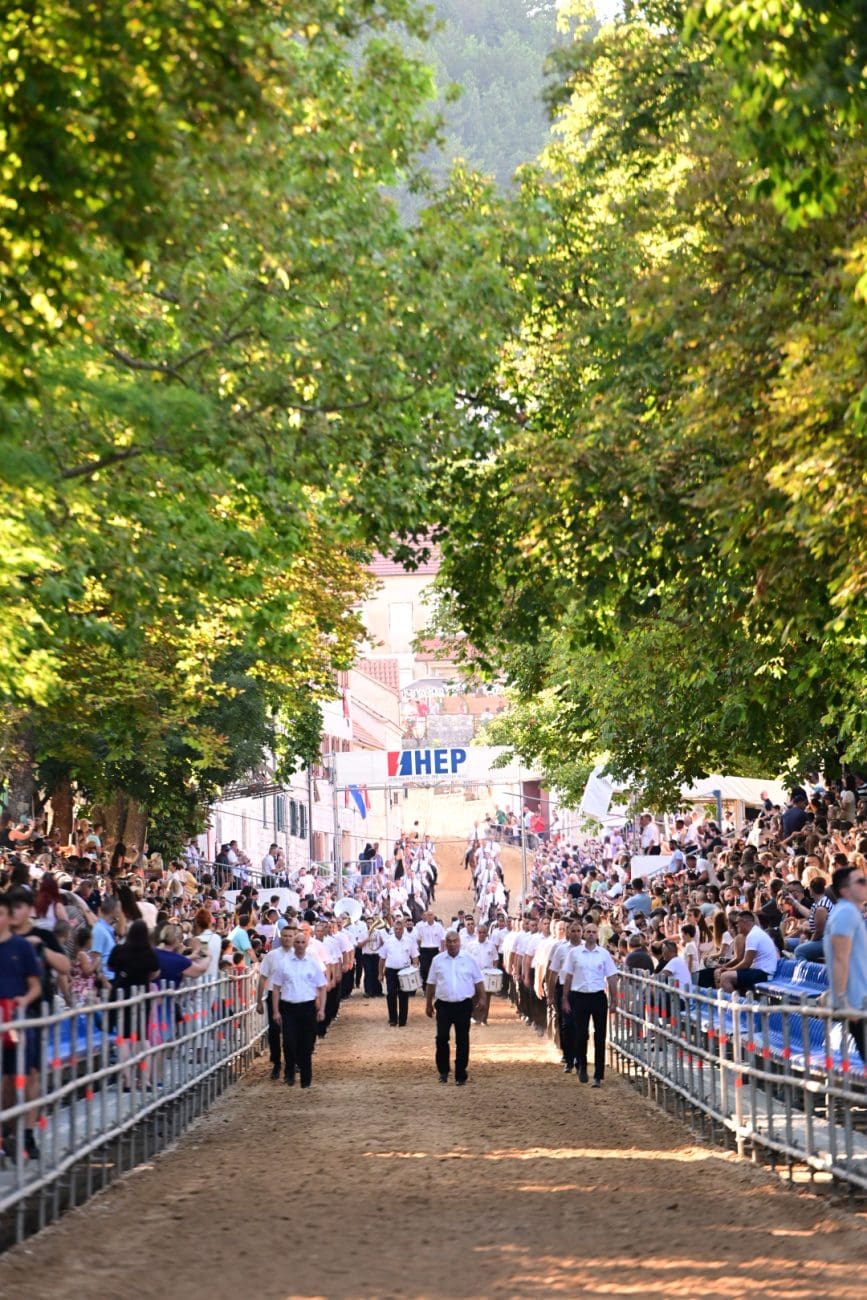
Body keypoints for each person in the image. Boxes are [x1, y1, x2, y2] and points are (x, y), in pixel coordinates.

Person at [561, 921, 618, 1087]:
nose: (591, 934)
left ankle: (598, 1075)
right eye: (588, 932)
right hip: (579, 997)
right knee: (581, 1034)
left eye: (594, 932)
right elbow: (568, 976)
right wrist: (565, 998)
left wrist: (614, 999)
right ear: (584, 934)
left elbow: (612, 976)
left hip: (598, 996)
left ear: (597, 934)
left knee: (600, 1036)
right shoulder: (574, 953)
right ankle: (582, 1066)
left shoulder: (604, 954)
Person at [425, 930, 484, 1085]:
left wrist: (483, 997)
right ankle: (443, 1071)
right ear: (445, 943)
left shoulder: (469, 959)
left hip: (463, 1005)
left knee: (462, 1039)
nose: (452, 944)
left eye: (455, 941)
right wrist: (428, 1003)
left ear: (459, 942)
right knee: (441, 1038)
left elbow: (478, 980)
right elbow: (431, 983)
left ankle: (460, 1074)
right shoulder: (437, 960)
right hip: (443, 1006)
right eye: (449, 941)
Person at [269, 929, 326, 1089]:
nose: (300, 945)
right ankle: (289, 1072)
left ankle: (306, 1079)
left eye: (303, 942)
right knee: (289, 1042)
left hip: (308, 1007)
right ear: (293, 944)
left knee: (307, 1044)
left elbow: (322, 986)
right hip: (289, 1007)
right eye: (297, 942)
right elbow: (276, 988)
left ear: (307, 944)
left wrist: (321, 1008)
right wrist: (276, 1011)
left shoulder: (312, 963)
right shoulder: (284, 963)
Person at [823, 864, 867, 1062]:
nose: (866, 884)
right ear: (845, 890)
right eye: (861, 881)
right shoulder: (846, 913)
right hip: (857, 1004)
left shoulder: (849, 913)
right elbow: (840, 959)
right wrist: (843, 1001)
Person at [256, 923, 296, 1079]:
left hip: (293, 997)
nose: (286, 939)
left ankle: (291, 1062)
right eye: (284, 936)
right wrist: (259, 1000)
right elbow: (262, 978)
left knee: (290, 1032)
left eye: (290, 936)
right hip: (274, 996)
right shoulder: (272, 956)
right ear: (281, 937)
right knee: (274, 1031)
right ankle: (276, 1062)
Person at [717, 912, 779, 994]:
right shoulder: (754, 932)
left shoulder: (753, 935)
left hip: (765, 974)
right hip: (761, 972)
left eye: (737, 922)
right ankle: (739, 998)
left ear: (744, 921)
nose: (736, 925)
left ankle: (737, 1002)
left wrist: (729, 969)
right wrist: (728, 968)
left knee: (725, 977)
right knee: (725, 974)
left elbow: (746, 962)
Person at [378, 915, 419, 1028]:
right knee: (391, 994)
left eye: (400, 929)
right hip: (391, 971)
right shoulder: (388, 941)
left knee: (404, 995)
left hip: (405, 971)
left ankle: (402, 1020)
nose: (398, 931)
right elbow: (382, 959)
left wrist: (415, 968)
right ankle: (393, 1019)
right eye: (396, 929)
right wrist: (380, 973)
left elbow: (415, 956)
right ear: (393, 929)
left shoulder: (409, 941)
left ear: (403, 929)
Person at [415, 908, 446, 985]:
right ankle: (425, 986)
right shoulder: (421, 927)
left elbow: (442, 940)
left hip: (435, 950)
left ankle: (436, 985)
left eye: (431, 915)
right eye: (428, 915)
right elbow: (418, 939)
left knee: (436, 969)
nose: (429, 916)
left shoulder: (439, 926)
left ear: (434, 916)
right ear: (425, 916)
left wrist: (442, 951)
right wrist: (419, 950)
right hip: (424, 950)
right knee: (424, 969)